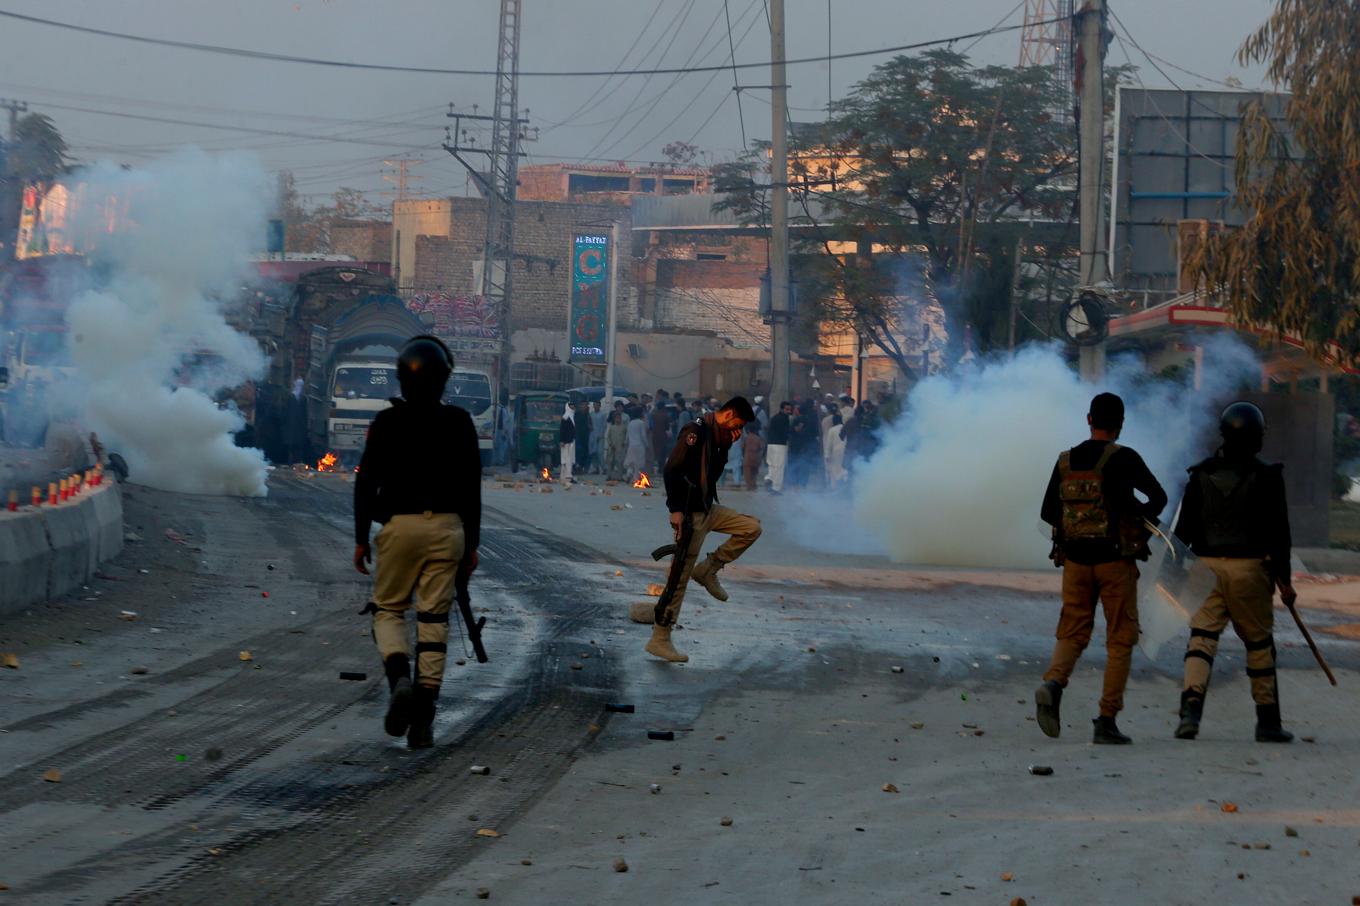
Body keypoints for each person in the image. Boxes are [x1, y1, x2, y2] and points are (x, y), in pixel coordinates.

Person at [353, 335, 481, 749]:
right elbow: (472, 491)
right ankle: (424, 717)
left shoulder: (387, 422)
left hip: (399, 528)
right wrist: (472, 546)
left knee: (388, 610)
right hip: (448, 530)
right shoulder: (460, 422)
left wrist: (360, 539)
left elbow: (365, 481)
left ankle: (399, 679)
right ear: (444, 379)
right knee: (433, 622)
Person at [1035, 392, 1167, 745]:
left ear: (1088, 420)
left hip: (1075, 562)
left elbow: (1049, 512)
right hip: (1115, 562)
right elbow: (1160, 497)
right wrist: (1135, 515)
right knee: (1121, 638)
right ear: (1120, 424)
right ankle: (1106, 720)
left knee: (1072, 631)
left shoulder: (1066, 461)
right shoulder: (1125, 458)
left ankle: (1053, 683)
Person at [1171, 402, 1295, 743]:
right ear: (1256, 437)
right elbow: (1279, 535)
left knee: (1201, 640)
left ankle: (1190, 714)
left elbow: (1181, 533)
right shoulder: (1269, 476)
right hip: (1249, 570)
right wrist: (1285, 581)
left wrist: (1174, 575)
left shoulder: (1199, 474)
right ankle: (1267, 722)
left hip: (1205, 568)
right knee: (1258, 644)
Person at [645, 397, 762, 662]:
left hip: (708, 508)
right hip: (690, 513)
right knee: (679, 579)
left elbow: (711, 474)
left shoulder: (717, 436)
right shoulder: (695, 431)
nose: (738, 431)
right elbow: (671, 470)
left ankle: (709, 569)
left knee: (751, 528)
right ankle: (660, 638)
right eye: (738, 424)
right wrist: (674, 509)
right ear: (728, 414)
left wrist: (725, 446)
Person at [766, 401, 792, 493]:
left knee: (772, 464)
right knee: (779, 466)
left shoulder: (774, 418)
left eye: (789, 409)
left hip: (770, 444)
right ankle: (776, 488)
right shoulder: (784, 419)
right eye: (787, 409)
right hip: (780, 445)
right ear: (782, 409)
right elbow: (786, 432)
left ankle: (769, 478)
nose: (789, 411)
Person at [604, 405, 630, 481]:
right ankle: (609, 476)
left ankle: (620, 476)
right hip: (612, 447)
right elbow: (608, 437)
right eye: (617, 418)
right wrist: (610, 444)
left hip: (620, 447)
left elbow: (626, 436)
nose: (618, 419)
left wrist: (624, 443)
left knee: (620, 462)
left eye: (619, 418)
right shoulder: (612, 427)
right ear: (614, 419)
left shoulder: (623, 427)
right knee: (610, 462)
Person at [625, 404, 649, 481]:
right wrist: (647, 445)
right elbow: (643, 436)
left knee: (631, 461)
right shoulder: (641, 423)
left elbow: (627, 436)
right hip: (639, 445)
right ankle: (636, 479)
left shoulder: (630, 423)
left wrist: (626, 443)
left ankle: (629, 473)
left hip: (631, 445)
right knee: (638, 463)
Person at [824, 411, 847, 486]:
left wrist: (827, 455)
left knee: (834, 470)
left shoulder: (832, 430)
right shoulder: (845, 428)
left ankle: (834, 486)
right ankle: (844, 485)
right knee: (843, 469)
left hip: (835, 452)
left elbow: (829, 444)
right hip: (845, 451)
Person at [650, 402, 673, 475]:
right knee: (663, 453)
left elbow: (651, 425)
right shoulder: (665, 415)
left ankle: (653, 468)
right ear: (663, 407)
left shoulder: (654, 415)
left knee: (656, 452)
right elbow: (667, 427)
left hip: (655, 436)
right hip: (663, 436)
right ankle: (661, 469)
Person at [743, 420, 766, 491]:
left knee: (747, 473)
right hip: (756, 458)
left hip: (747, 457)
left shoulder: (746, 438)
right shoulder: (758, 438)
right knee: (754, 473)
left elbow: (742, 447)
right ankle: (753, 485)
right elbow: (762, 447)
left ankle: (749, 486)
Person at [559, 402, 576, 483]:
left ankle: (568, 475)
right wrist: (562, 440)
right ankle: (566, 476)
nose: (573, 408)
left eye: (573, 407)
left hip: (571, 441)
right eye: (571, 407)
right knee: (566, 459)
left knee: (570, 459)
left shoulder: (572, 416)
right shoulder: (565, 417)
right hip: (566, 442)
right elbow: (562, 430)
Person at [574, 401, 592, 475]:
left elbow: (590, 425)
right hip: (577, 434)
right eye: (582, 405)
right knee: (578, 450)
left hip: (586, 435)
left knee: (585, 451)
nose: (584, 406)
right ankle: (577, 466)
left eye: (585, 405)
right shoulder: (577, 414)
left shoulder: (588, 415)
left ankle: (582, 467)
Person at [589, 399, 607, 473]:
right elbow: (589, 424)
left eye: (597, 405)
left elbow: (604, 425)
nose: (596, 406)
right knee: (593, 452)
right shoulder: (591, 414)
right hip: (592, 435)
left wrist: (601, 434)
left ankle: (604, 468)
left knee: (600, 452)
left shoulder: (603, 414)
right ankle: (595, 468)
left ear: (600, 406)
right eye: (594, 405)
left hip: (600, 435)